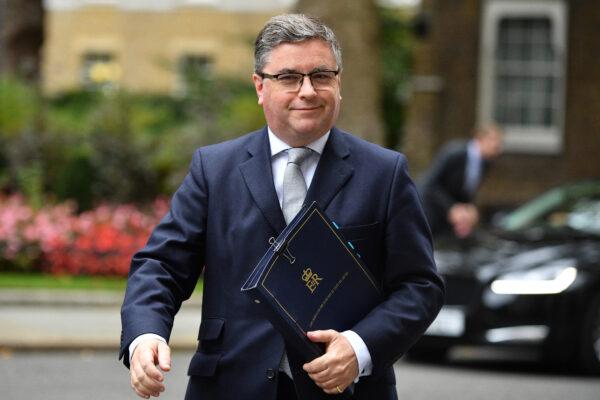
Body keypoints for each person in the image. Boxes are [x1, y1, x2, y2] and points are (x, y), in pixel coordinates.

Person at [120, 14, 444, 400]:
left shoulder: (384, 173)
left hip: (345, 389)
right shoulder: (215, 169)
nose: (307, 90)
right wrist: (145, 335)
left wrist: (360, 348)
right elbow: (162, 266)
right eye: (289, 77)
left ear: (338, 84)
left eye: (321, 76)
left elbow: (420, 287)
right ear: (259, 86)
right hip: (230, 386)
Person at [418, 124, 503, 239]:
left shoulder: (486, 163)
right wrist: (451, 208)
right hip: (430, 213)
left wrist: (469, 208)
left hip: (450, 222)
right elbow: (430, 184)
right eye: (494, 140)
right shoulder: (454, 153)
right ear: (479, 138)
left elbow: (465, 191)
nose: (498, 146)